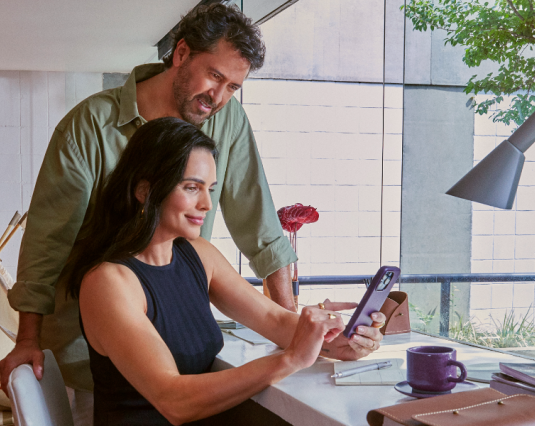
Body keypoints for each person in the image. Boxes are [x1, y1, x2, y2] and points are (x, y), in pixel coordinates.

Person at [0, 4, 382, 423]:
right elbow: (46, 241)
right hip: (94, 344)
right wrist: (27, 337)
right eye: (215, 76)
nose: (219, 97)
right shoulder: (90, 128)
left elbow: (258, 223)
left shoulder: (198, 243)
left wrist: (324, 336)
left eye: (233, 86)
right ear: (180, 53)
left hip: (173, 329)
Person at [65, 117, 384, 424]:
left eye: (210, 189)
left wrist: (335, 341)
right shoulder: (108, 282)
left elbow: (274, 320)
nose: (206, 203)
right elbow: (173, 400)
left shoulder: (198, 255)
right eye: (192, 187)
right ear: (145, 191)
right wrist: (290, 359)